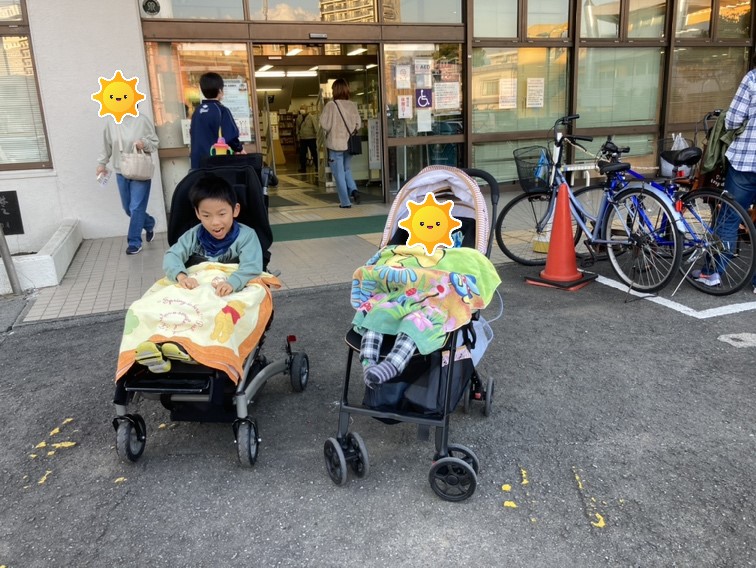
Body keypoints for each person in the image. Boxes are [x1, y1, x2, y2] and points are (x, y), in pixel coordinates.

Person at [134, 173, 264, 372]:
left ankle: (192, 348)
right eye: (207, 215)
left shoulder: (246, 236)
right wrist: (181, 276)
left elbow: (252, 266)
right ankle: (156, 344)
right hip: (197, 283)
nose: (215, 222)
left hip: (229, 284)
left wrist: (233, 282)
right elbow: (172, 255)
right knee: (151, 304)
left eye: (222, 214)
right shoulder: (194, 235)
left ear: (235, 210)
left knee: (222, 310)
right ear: (197, 213)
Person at [696, 54, 756, 293]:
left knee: (729, 217)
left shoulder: (752, 79)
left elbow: (732, 120)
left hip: (746, 162)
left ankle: (712, 272)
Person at [96, 110, 159, 255]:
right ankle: (149, 223)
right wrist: (101, 164)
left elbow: (155, 143)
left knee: (136, 207)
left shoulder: (142, 120)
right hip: (120, 171)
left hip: (139, 170)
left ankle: (134, 242)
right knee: (128, 208)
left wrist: (144, 143)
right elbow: (107, 146)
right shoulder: (111, 122)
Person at [319, 78, 362, 208]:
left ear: (335, 90)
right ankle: (353, 189)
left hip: (336, 144)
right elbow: (358, 124)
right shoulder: (352, 105)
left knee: (339, 174)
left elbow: (325, 125)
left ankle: (345, 202)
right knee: (346, 169)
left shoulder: (331, 105)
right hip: (349, 144)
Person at [189, 72, 245, 170]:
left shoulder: (197, 111)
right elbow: (230, 136)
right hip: (216, 162)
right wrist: (239, 148)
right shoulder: (221, 110)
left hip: (197, 163)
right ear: (220, 91)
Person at [297, 106, 319, 173]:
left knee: (314, 152)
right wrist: (298, 135)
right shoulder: (299, 118)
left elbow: (316, 127)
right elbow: (298, 127)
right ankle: (303, 167)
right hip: (302, 138)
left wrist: (317, 135)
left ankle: (317, 166)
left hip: (311, 138)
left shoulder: (311, 117)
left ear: (306, 110)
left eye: (303, 109)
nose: (302, 110)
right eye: (301, 109)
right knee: (302, 154)